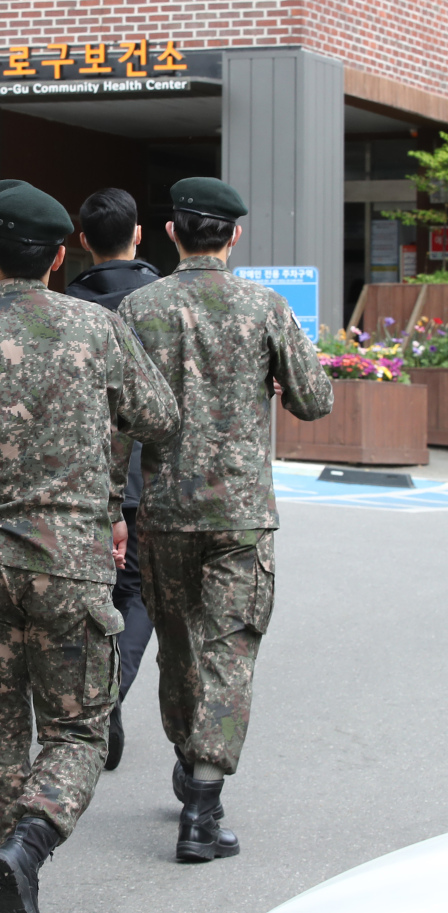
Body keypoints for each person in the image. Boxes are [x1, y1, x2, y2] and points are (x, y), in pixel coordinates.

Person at [0, 181, 180, 913]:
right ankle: (30, 842)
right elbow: (160, 415)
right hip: (72, 566)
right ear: (58, 258)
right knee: (79, 727)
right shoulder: (96, 330)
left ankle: (8, 884)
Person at [116, 177, 334, 863]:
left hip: (166, 512)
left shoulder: (139, 307)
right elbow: (315, 399)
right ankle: (202, 807)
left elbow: (114, 420)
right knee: (229, 649)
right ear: (234, 235)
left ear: (173, 233)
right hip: (240, 514)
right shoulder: (265, 307)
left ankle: (192, 767)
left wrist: (107, 511)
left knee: (179, 650)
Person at [63, 188, 162, 770]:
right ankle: (108, 697)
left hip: (81, 479)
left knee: (91, 594)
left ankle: (97, 698)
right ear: (140, 234)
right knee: (140, 590)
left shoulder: (68, 307)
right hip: (149, 475)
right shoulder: (160, 300)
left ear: (81, 242)